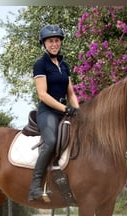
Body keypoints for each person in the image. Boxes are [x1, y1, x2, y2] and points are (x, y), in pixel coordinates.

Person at [28, 24, 80, 202]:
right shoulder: (40, 64)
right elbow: (43, 95)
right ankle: (35, 187)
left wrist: (78, 111)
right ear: (44, 43)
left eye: (57, 40)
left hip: (64, 111)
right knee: (50, 141)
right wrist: (65, 108)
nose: (54, 44)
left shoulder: (64, 66)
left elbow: (70, 93)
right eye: (51, 41)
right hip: (48, 112)